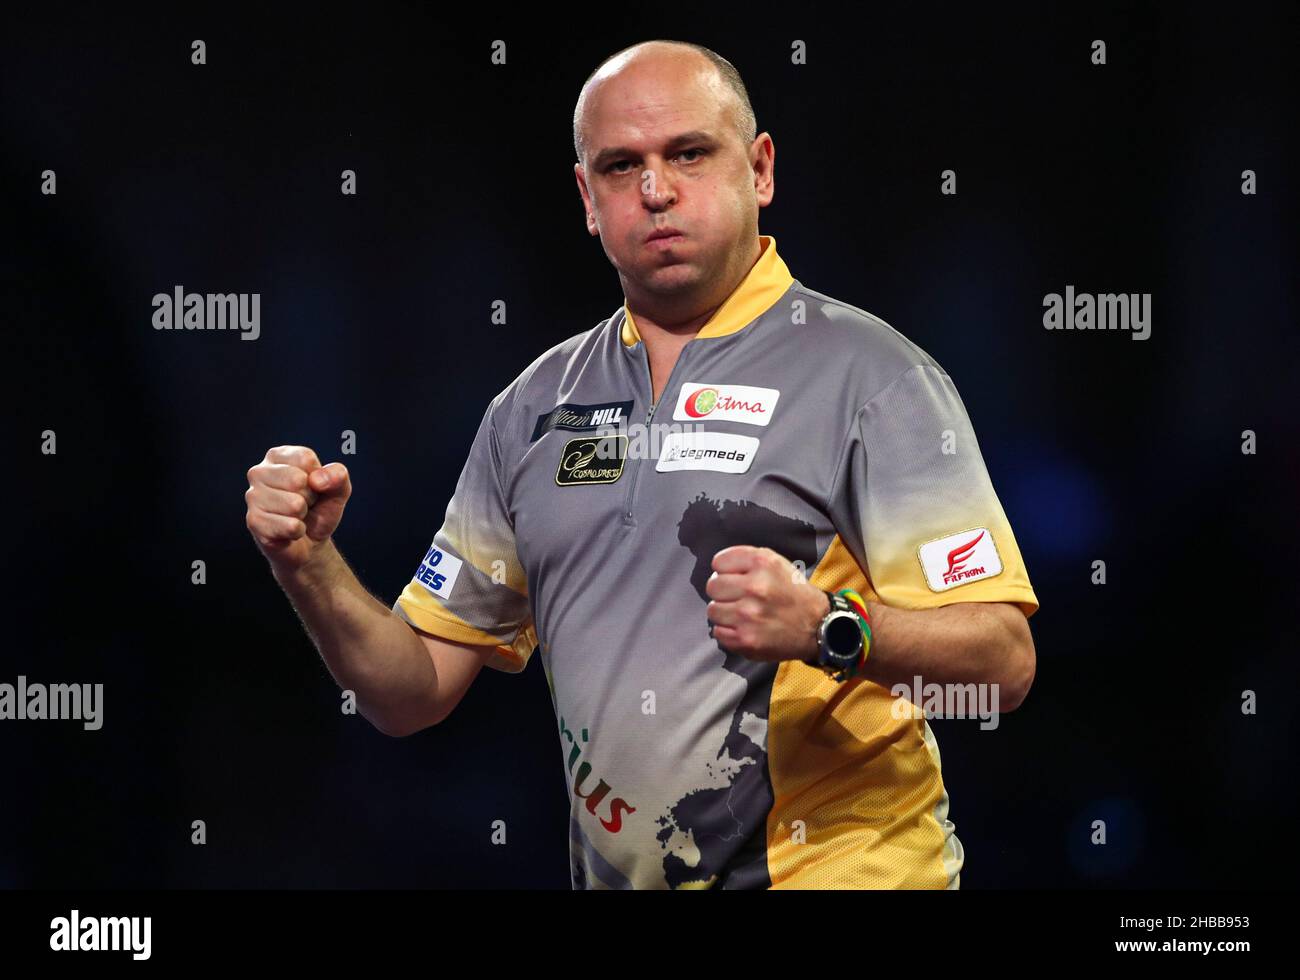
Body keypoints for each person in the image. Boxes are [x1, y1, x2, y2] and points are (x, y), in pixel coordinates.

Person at [245, 39, 1039, 889]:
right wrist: (307, 564)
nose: (657, 190)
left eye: (689, 153)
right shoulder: (529, 412)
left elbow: (1003, 662)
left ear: (760, 169)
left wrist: (824, 626)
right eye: (621, 167)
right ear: (588, 197)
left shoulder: (872, 377)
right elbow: (411, 693)